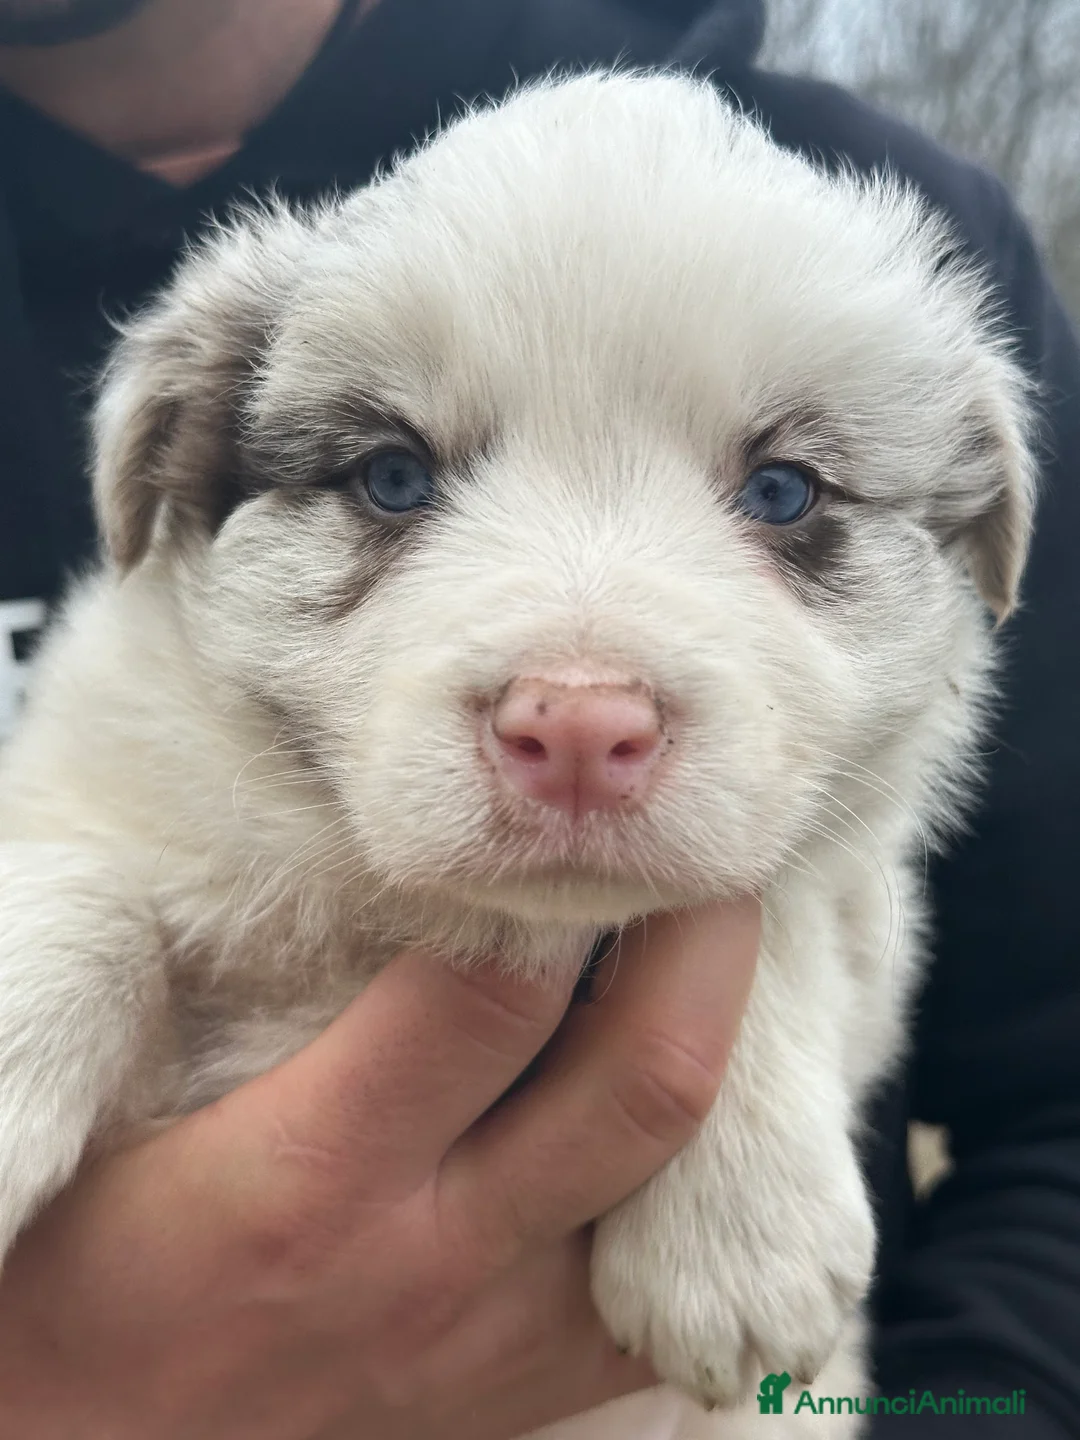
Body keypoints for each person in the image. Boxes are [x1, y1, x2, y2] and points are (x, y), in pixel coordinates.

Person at [0, 1, 1076, 1436]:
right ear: (167, 487)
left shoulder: (902, 238)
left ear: (978, 523)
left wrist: (764, 1027)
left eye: (783, 496)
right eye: (395, 479)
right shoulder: (156, 665)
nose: (579, 701)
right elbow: (94, 826)